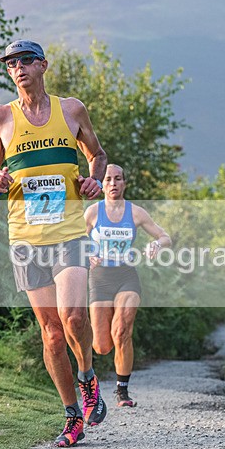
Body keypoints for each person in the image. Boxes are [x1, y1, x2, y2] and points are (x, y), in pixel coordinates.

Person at [0, 39, 108, 447]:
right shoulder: (0, 118)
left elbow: (98, 155)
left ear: (43, 66)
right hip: (26, 238)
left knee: (74, 319)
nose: (18, 68)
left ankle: (87, 375)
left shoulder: (72, 110)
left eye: (26, 60)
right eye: (11, 63)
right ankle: (72, 414)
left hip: (69, 232)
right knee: (51, 333)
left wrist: (94, 180)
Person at [84, 164, 171, 407]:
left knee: (122, 330)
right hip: (99, 279)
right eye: (108, 179)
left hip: (126, 276)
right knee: (101, 346)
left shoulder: (136, 213)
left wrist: (156, 245)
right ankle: (90, 379)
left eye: (118, 179)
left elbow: (165, 237)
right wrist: (88, 253)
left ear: (124, 183)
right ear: (101, 185)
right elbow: (76, 240)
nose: (113, 183)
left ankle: (122, 391)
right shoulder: (92, 212)